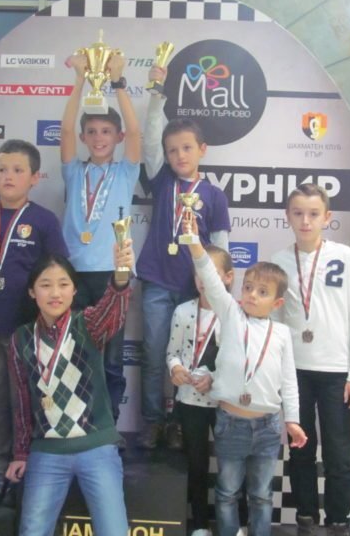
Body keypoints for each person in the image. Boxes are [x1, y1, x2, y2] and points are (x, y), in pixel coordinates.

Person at [185, 216, 306, 536]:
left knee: (262, 495)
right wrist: (195, 244)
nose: (252, 295)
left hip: (268, 426)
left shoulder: (281, 334)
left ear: (277, 302)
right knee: (226, 493)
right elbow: (211, 279)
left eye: (262, 292)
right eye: (248, 287)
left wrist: (292, 420)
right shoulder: (231, 314)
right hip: (230, 422)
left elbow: (289, 382)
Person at [5, 241, 135, 536]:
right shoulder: (21, 339)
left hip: (97, 447)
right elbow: (22, 402)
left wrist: (121, 274)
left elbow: (113, 310)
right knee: (32, 531)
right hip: (47, 452)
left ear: (74, 290)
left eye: (63, 284)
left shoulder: (86, 324)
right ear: (32, 291)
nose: (55, 293)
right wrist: (21, 453)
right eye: (45, 285)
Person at [136, 65, 231, 449]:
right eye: (172, 150)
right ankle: (152, 421)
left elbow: (221, 249)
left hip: (196, 291)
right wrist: (156, 95)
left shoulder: (215, 196)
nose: (179, 155)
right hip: (158, 282)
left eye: (187, 148)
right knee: (154, 354)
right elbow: (149, 142)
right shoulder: (161, 179)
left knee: (191, 357)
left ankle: (179, 422)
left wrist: (218, 290)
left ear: (202, 150)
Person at [0, 139, 68, 504]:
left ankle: (26, 469)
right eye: (1, 170)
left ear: (35, 177)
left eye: (17, 170)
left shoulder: (44, 220)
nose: (7, 176)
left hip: (26, 330)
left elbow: (57, 272)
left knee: (25, 399)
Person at [270, 183, 350, 536]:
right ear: (288, 216)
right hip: (295, 372)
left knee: (339, 454)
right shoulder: (280, 262)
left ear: (327, 217)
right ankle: (306, 518)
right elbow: (275, 324)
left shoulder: (344, 256)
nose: (306, 221)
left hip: (336, 372)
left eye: (313, 214)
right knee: (300, 450)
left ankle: (339, 521)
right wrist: (276, 375)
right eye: (298, 213)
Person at [60, 51, 140, 427]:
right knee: (75, 351)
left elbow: (137, 133)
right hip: (73, 273)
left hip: (114, 273)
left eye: (106, 131)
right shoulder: (73, 171)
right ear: (83, 137)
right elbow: (64, 132)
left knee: (111, 356)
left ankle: (109, 425)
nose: (98, 138)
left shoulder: (125, 171)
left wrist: (118, 83)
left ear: (118, 137)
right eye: (91, 131)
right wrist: (80, 79)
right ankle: (77, 422)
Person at [166, 245, 234, 536]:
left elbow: (240, 364)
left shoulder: (234, 314)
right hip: (190, 401)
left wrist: (215, 379)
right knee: (196, 464)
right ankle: (200, 525)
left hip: (224, 403)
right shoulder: (182, 311)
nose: (204, 279)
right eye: (199, 273)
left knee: (231, 466)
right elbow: (172, 352)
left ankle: (234, 524)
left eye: (212, 273)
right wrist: (175, 369)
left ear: (228, 277)